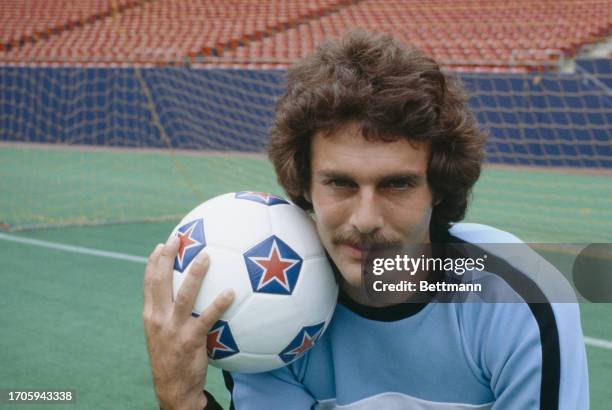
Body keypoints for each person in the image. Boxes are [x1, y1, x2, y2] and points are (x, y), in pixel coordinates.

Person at [142, 30, 588, 409]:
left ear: (439, 187)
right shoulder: (262, 308)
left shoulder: (517, 301)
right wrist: (183, 400)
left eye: (397, 184)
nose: (367, 218)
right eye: (340, 183)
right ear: (304, 187)